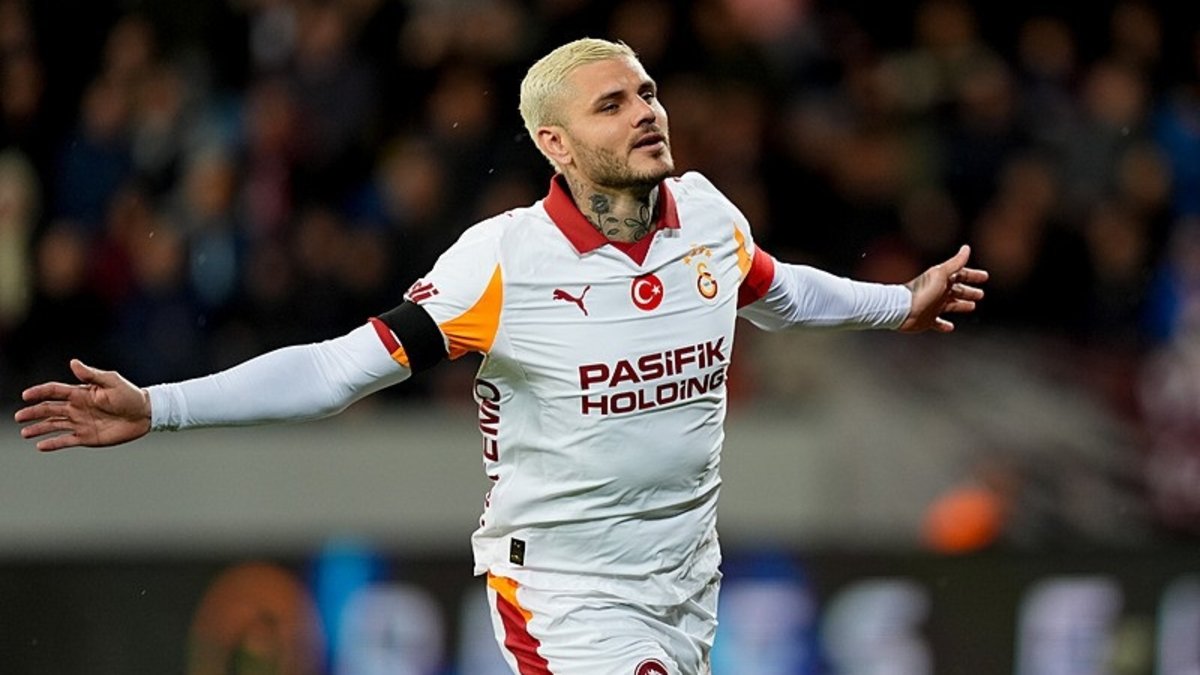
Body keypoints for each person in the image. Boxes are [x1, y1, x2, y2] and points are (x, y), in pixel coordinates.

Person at [15, 38, 987, 675]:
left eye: (648, 93)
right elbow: (337, 370)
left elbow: (781, 292)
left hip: (688, 582)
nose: (647, 112)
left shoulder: (706, 218)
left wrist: (898, 303)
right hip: (565, 593)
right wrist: (162, 406)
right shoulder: (504, 264)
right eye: (614, 104)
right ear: (556, 143)